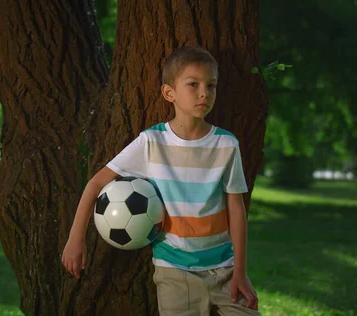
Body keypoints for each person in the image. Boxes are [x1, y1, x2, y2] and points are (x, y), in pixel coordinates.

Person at [61, 46, 261, 316]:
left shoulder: (226, 144)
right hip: (174, 274)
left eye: (211, 85)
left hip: (225, 269)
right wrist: (76, 239)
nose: (204, 93)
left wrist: (241, 271)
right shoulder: (151, 142)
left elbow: (236, 208)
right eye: (193, 84)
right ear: (169, 93)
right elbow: (96, 184)